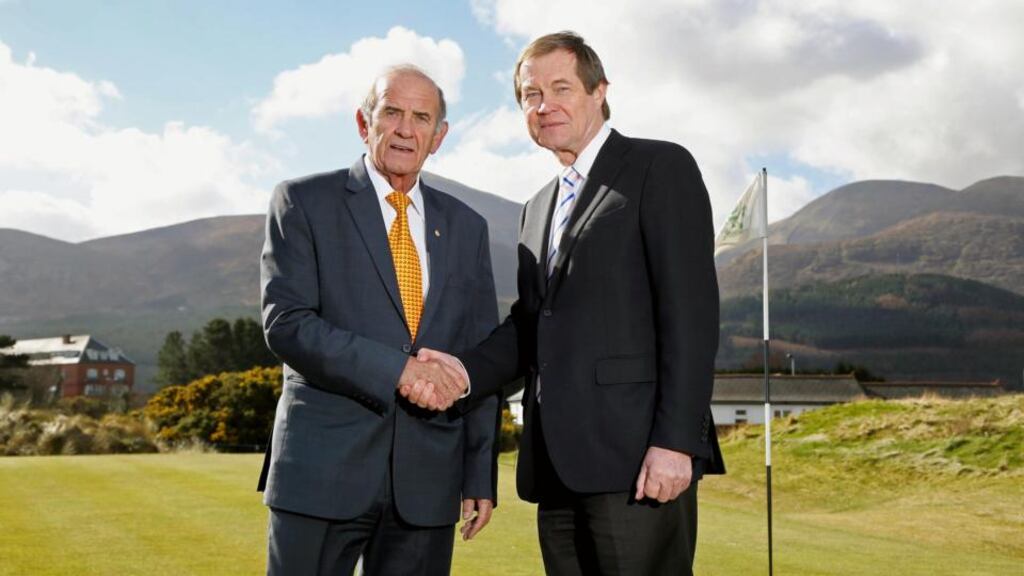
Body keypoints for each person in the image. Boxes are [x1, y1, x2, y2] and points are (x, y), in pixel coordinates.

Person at [410, 32, 725, 575]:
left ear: (599, 92)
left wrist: (676, 443)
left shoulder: (659, 168)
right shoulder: (536, 208)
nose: (544, 104)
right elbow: (532, 326)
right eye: (530, 95)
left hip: (638, 463)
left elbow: (691, 315)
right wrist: (461, 371)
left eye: (561, 88)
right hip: (556, 470)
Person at [258, 64, 500, 576]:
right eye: (391, 112)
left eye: (421, 117)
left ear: (439, 137)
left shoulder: (467, 228)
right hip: (322, 471)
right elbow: (287, 323)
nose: (406, 129)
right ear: (363, 123)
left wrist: (479, 473)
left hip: (428, 482)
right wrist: (400, 370)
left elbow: (478, 356)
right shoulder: (303, 201)